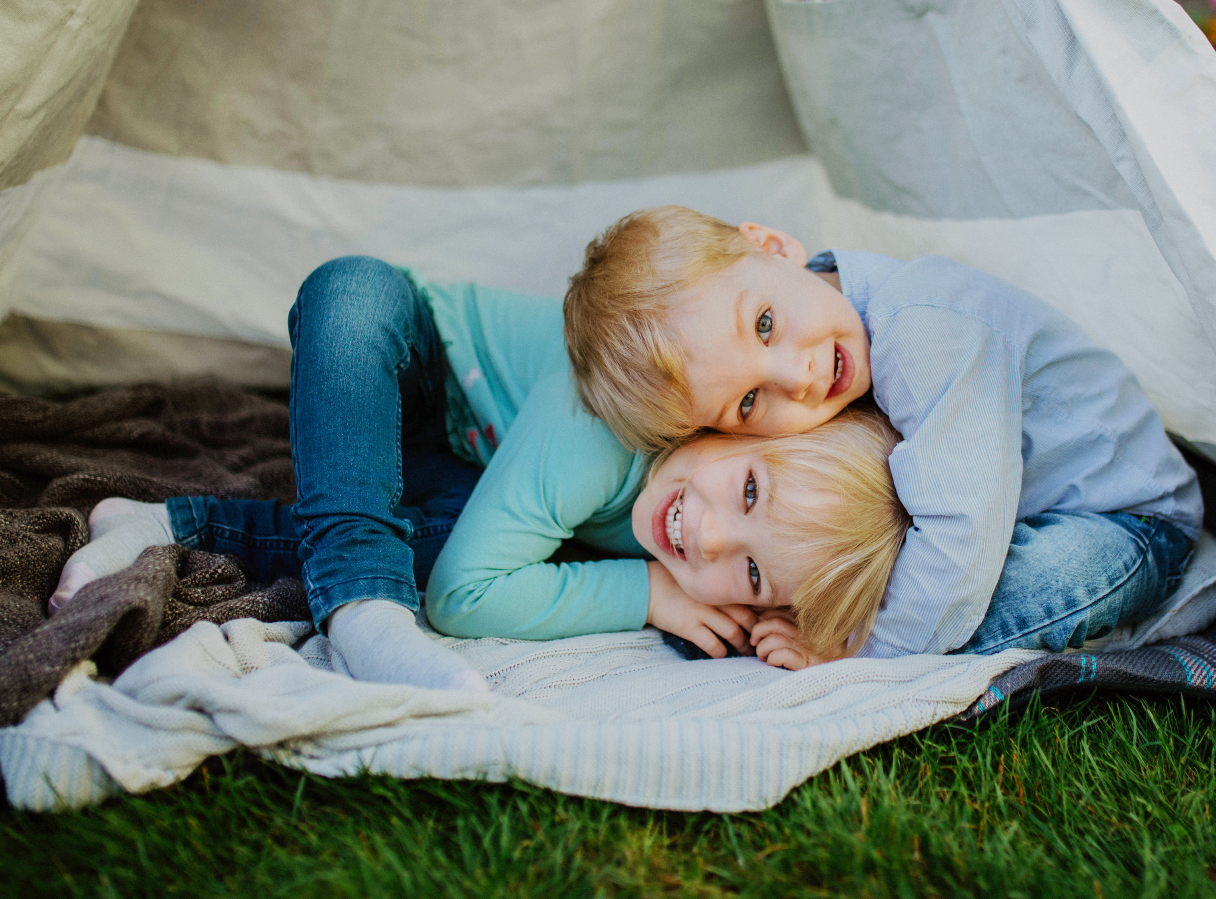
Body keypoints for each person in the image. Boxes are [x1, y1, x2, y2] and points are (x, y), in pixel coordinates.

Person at [53, 257, 910, 681]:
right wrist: (648, 592)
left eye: (751, 572)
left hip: (467, 475)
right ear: (735, 417)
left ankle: (171, 521)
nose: (709, 535)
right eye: (749, 486)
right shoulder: (609, 430)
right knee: (350, 291)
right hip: (417, 372)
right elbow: (465, 598)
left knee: (438, 534)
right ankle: (362, 606)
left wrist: (823, 640)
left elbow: (468, 564)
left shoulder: (696, 504)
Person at [563, 205, 1206, 667]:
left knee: (1040, 579)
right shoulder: (827, 341)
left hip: (1125, 521)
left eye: (764, 324)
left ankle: (882, 639)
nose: (801, 375)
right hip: (992, 510)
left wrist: (855, 648)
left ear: (771, 245)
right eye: (750, 401)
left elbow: (959, 540)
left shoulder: (924, 332)